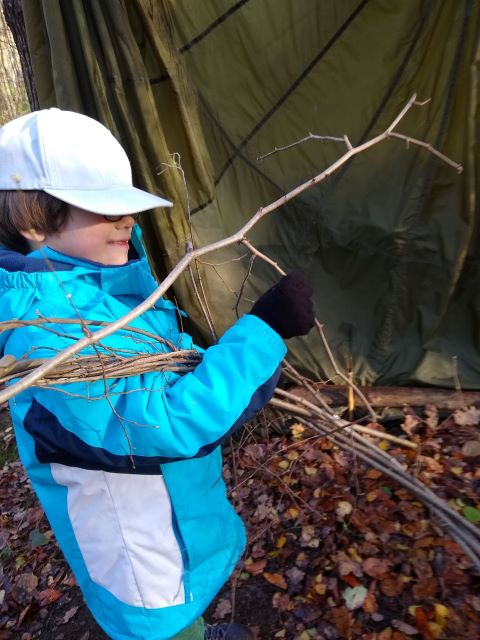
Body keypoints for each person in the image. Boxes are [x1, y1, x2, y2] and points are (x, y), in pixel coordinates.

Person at [0, 109, 315, 640]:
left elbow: (173, 363)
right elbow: (160, 423)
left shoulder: (110, 287)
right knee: (161, 618)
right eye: (104, 208)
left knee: (183, 594)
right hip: (135, 535)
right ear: (36, 221)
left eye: (127, 205)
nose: (127, 220)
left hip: (173, 505)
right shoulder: (45, 333)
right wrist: (263, 332)